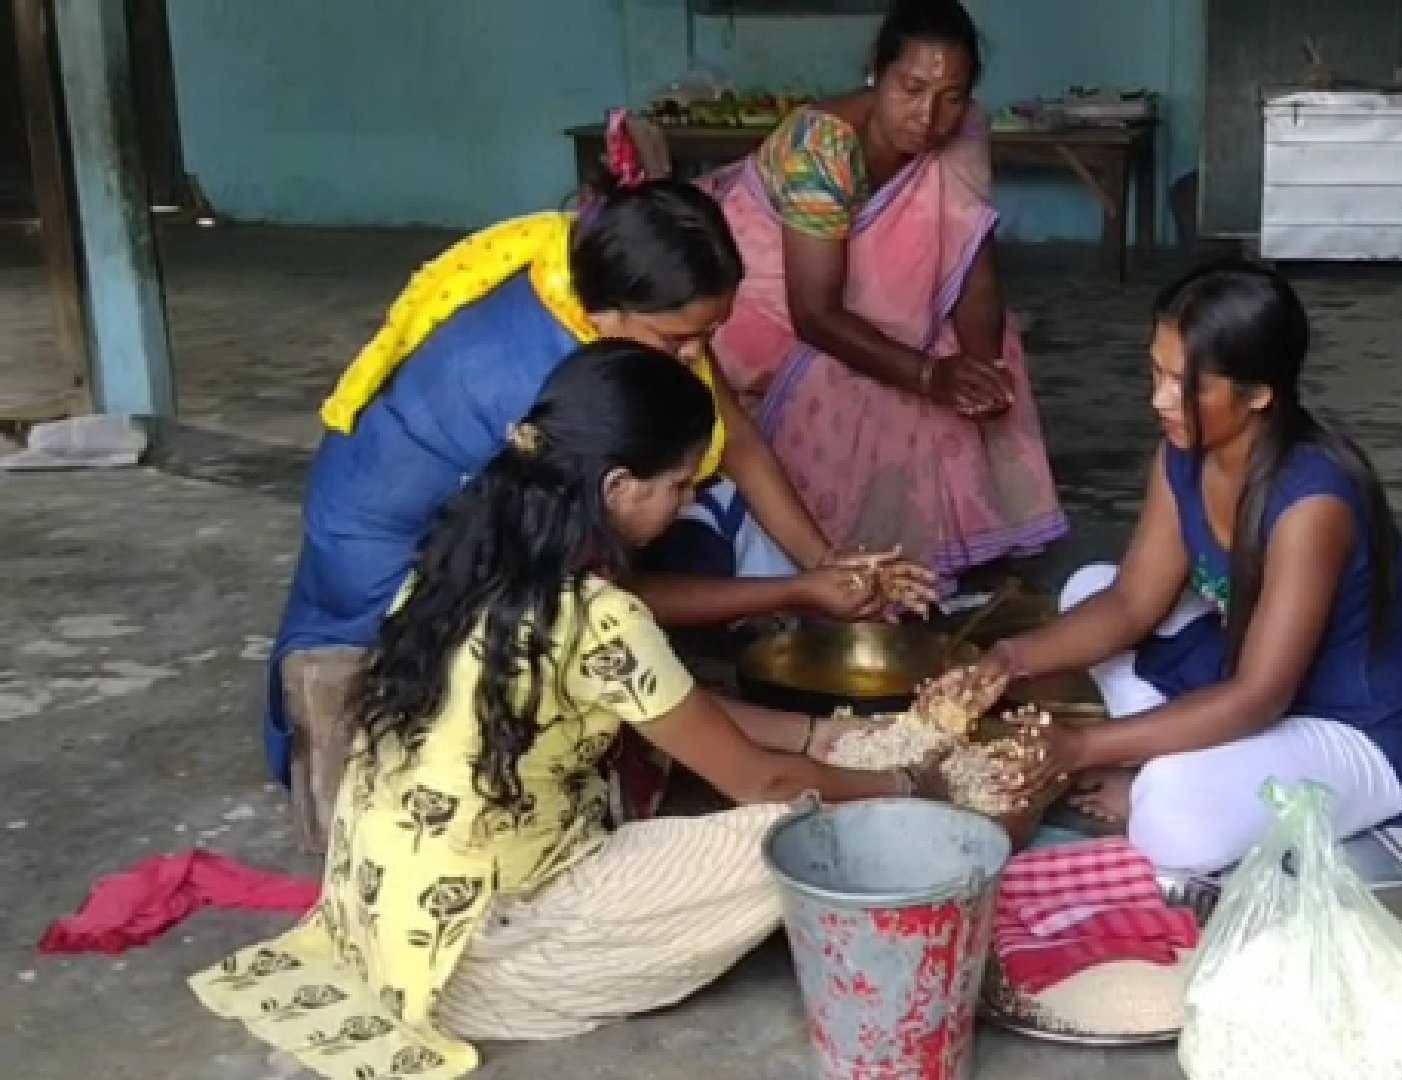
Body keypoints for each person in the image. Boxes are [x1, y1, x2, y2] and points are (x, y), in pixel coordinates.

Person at [194, 344, 954, 1080]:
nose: (687, 503)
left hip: (386, 929)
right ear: (619, 485)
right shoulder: (597, 616)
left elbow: (663, 705)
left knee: (780, 776)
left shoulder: (462, 556)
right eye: (682, 484)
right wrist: (911, 788)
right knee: (799, 834)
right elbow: (759, 781)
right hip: (496, 959)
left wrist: (832, 735)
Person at [273, 128, 932, 847]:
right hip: (385, 572)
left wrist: (823, 561)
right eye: (677, 341)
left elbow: (733, 433)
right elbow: (599, 601)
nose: (696, 359)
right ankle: (708, 734)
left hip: (475, 526)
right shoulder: (545, 395)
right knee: (629, 609)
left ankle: (751, 725)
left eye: (705, 338)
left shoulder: (580, 271)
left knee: (700, 518)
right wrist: (797, 598)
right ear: (607, 315)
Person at [970, 263, 1402, 873]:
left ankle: (1161, 772)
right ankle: (1169, 758)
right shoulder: (1182, 451)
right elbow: (1133, 602)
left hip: (1347, 725)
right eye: (1156, 372)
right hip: (1242, 665)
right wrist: (1008, 660)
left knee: (1173, 823)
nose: (1159, 399)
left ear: (1259, 395)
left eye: (1185, 384)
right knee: (1090, 587)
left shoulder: (1314, 502)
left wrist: (1080, 748)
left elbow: (1259, 697)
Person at [705, 0, 1066, 591]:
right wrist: (930, 376)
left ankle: (942, 546)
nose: (929, 116)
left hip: (851, 299)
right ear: (876, 71)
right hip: (763, 311)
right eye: (912, 88)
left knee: (965, 346)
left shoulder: (964, 130)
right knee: (883, 369)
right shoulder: (819, 148)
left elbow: (969, 249)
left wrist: (981, 366)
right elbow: (814, 313)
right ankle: (846, 560)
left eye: (951, 96)